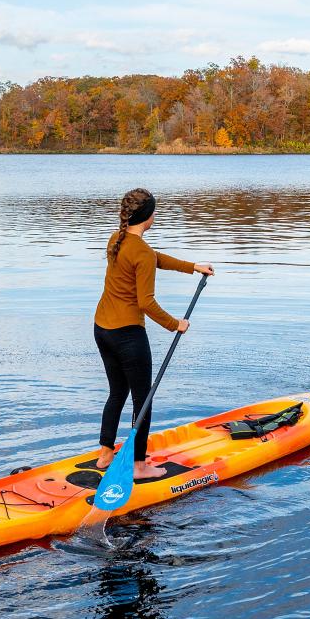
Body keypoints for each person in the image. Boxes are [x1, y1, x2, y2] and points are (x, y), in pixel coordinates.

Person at [94, 187, 214, 478]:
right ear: (148, 217)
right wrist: (176, 324)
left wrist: (192, 266)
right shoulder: (141, 251)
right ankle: (139, 466)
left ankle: (105, 453)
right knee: (143, 399)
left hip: (102, 329)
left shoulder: (117, 238)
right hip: (127, 335)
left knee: (117, 392)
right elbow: (145, 302)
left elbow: (152, 257)